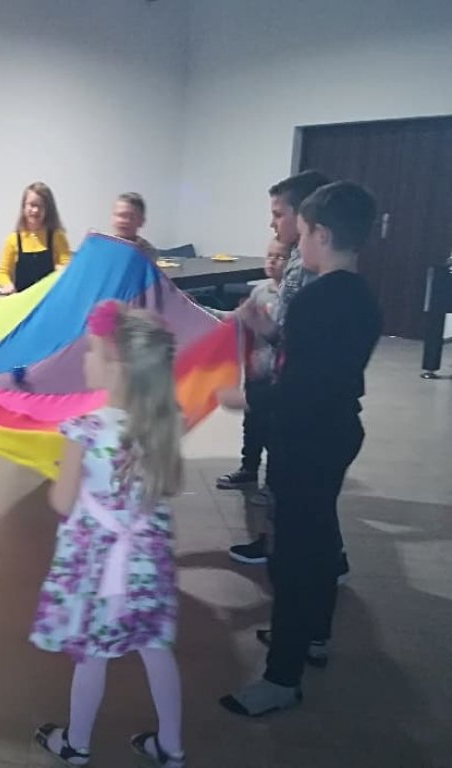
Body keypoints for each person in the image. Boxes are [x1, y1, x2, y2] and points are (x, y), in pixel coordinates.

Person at [220, 181, 382, 718]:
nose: (298, 241)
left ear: (323, 235)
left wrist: (247, 397)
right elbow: (319, 361)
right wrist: (268, 331)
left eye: (305, 232)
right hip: (337, 432)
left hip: (305, 438)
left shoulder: (315, 299)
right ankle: (314, 635)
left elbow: (299, 383)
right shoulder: (361, 299)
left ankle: (281, 678)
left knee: (291, 557)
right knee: (318, 539)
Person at [31, 301, 185, 768]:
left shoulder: (85, 430)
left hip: (99, 567)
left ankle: (77, 743)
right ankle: (172, 746)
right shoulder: (164, 425)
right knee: (156, 649)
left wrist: (65, 475)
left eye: (92, 350)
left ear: (115, 366)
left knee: (92, 654)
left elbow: (62, 502)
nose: (85, 358)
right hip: (147, 565)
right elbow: (168, 486)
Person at [229, 170, 333, 566]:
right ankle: (279, 544)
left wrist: (266, 331)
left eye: (278, 214)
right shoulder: (302, 270)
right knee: (286, 475)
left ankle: (296, 555)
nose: (273, 224)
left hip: (295, 393)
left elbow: (295, 340)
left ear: (304, 217)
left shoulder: (311, 274)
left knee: (295, 479)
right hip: (286, 386)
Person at [215, 239, 287, 505]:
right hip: (256, 372)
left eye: (280, 257)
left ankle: (274, 483)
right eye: (269, 255)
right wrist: (200, 309)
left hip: (277, 376)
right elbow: (235, 319)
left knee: (275, 430)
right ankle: (249, 468)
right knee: (253, 424)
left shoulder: (291, 298)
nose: (272, 261)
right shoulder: (259, 292)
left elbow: (285, 336)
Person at [0, 182, 71, 294]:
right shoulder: (13, 239)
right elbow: (3, 273)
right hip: (24, 300)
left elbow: (68, 267)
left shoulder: (57, 236)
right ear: (24, 207)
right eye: (32, 205)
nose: (35, 210)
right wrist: (7, 284)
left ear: (48, 209)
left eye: (40, 206)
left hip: (50, 298)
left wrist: (62, 269)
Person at [112, 192, 158, 262]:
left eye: (131, 217)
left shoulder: (147, 252)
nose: (125, 221)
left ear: (141, 221)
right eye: (121, 215)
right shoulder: (102, 246)